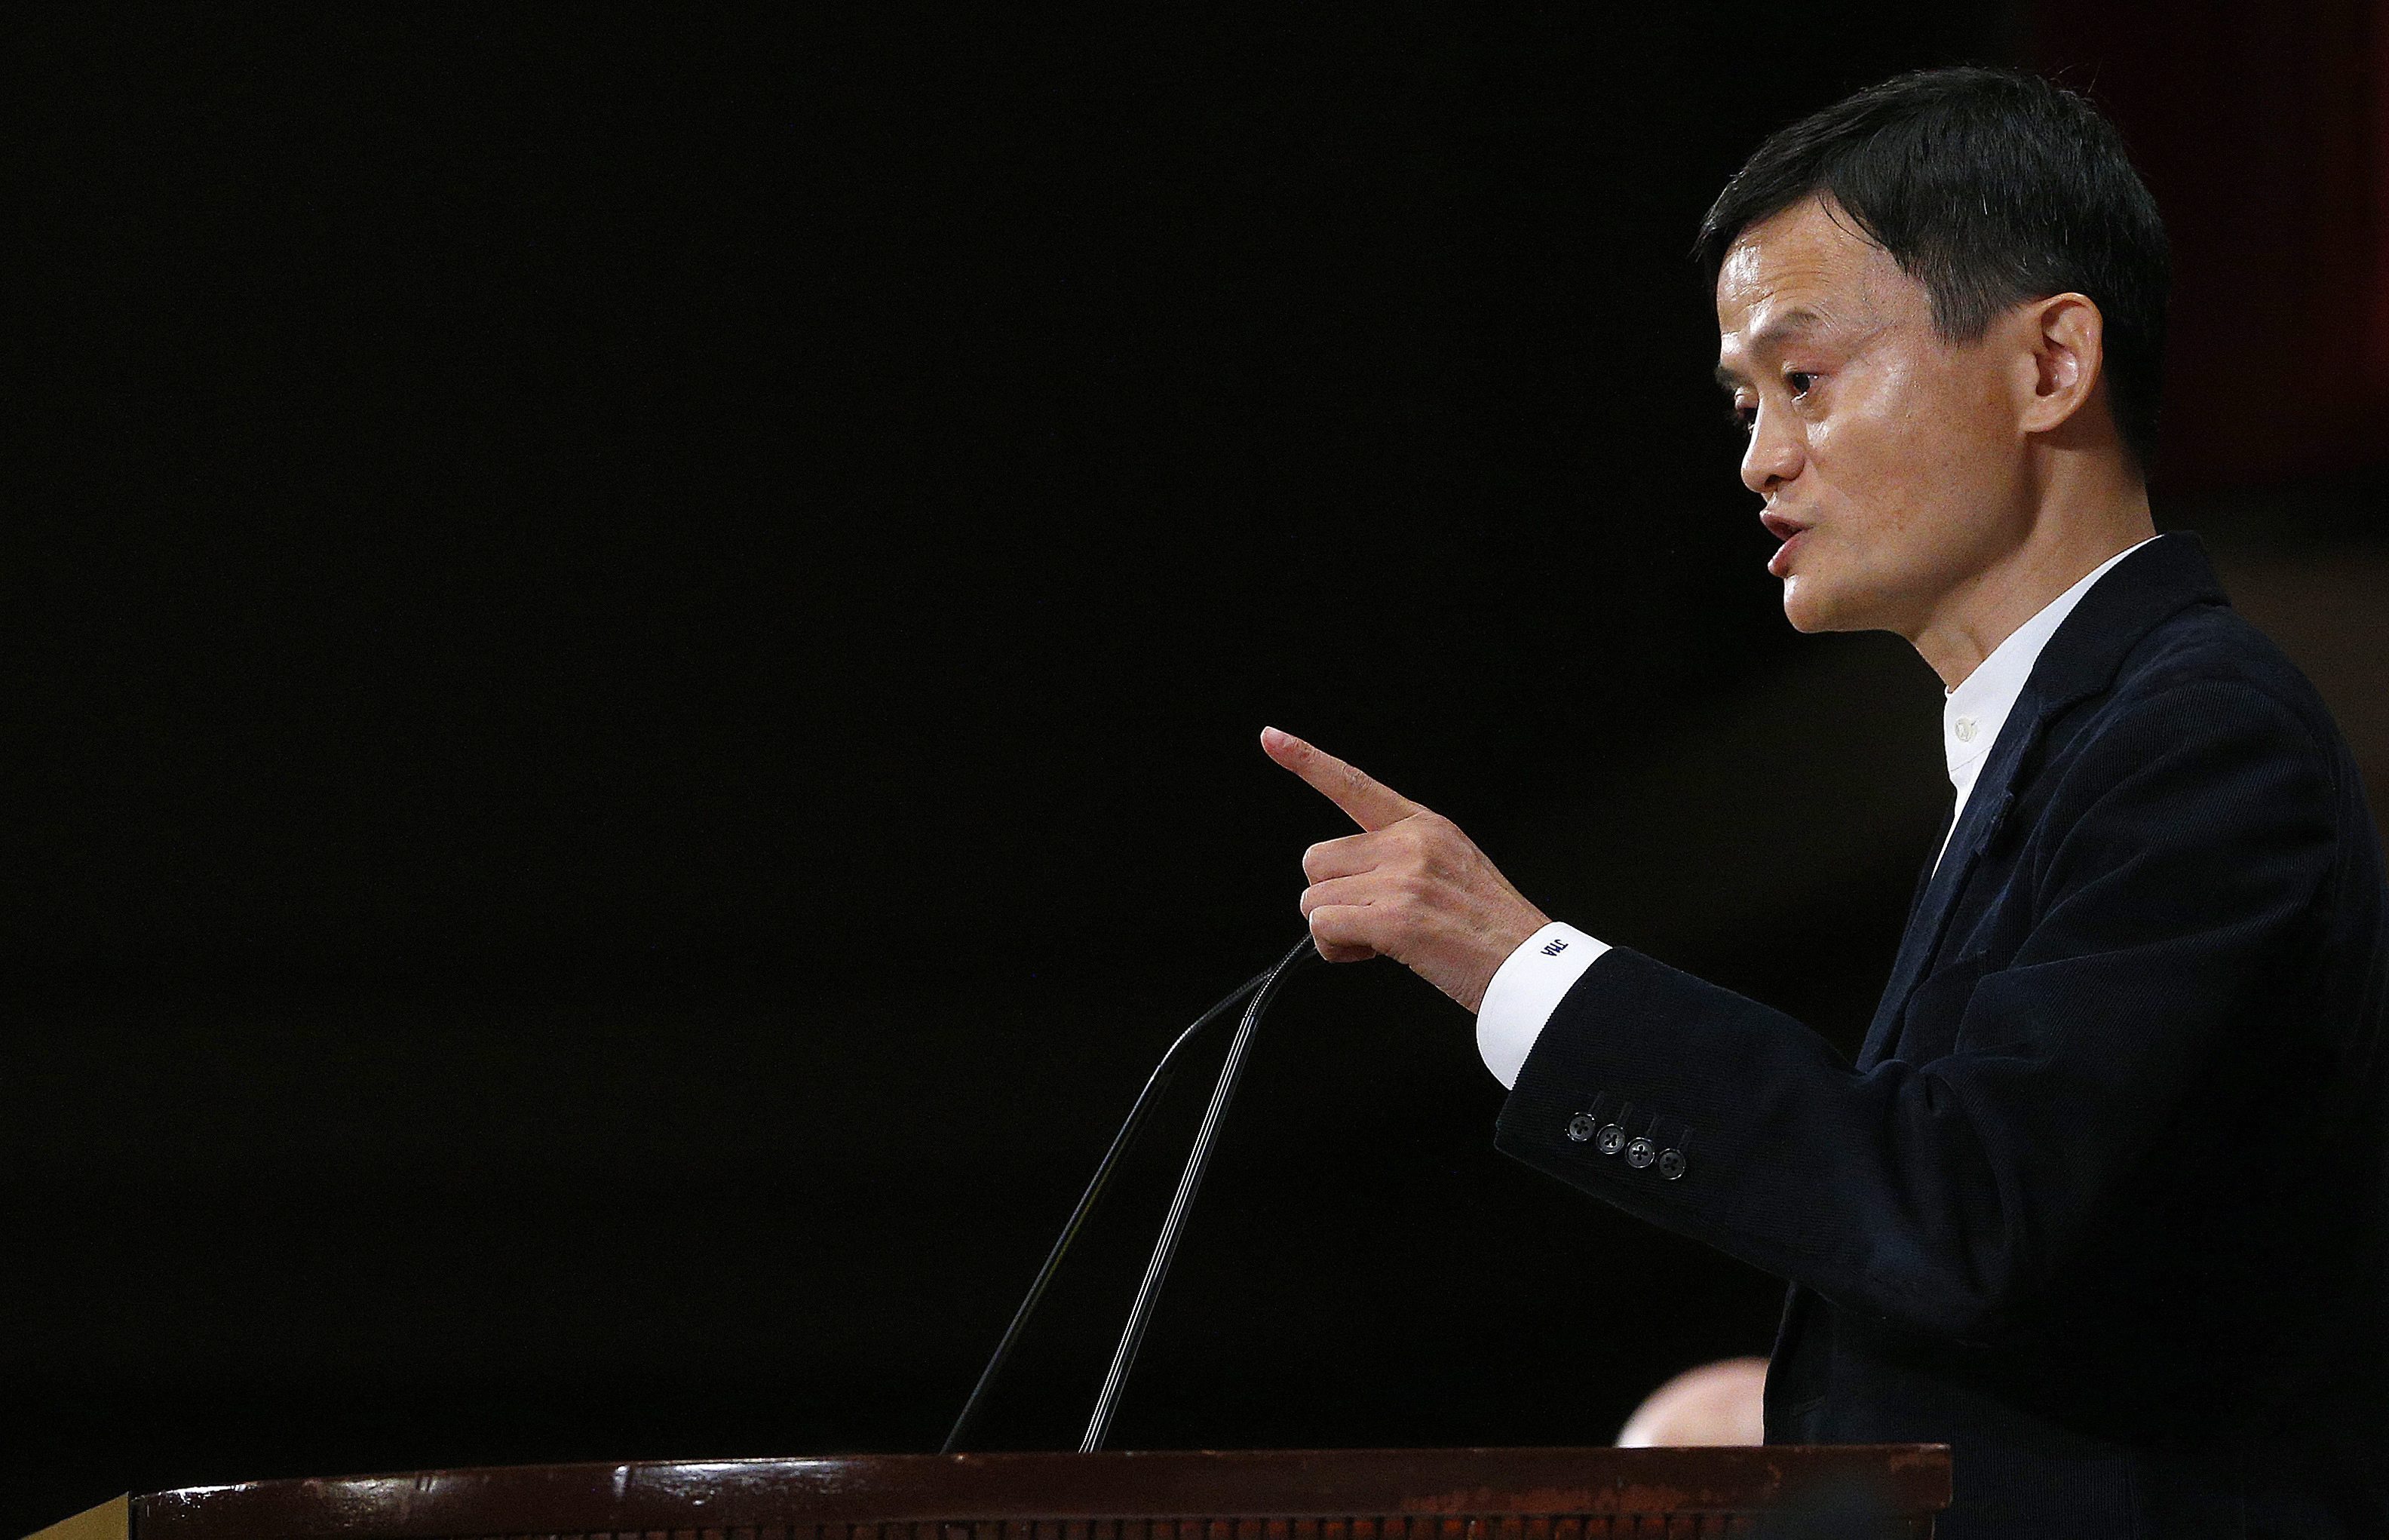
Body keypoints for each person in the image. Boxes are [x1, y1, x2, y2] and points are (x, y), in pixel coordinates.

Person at [1261, 68, 2388, 1537]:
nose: (1760, 457)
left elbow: (1963, 1210)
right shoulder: (2069, 738)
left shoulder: (2199, 739)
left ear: (2052, 363)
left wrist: (1514, 960)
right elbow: (2056, 1279)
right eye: (1747, 402)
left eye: (1805, 380)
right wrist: (1794, 1420)